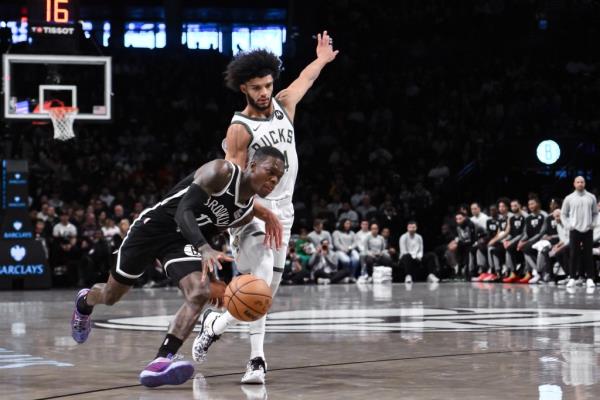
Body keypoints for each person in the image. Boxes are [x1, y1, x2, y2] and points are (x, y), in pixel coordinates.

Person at [70, 147, 285, 388]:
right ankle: (85, 301)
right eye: (270, 171)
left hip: (181, 242)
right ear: (253, 165)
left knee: (201, 292)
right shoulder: (221, 171)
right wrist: (203, 248)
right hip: (154, 228)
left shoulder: (244, 214)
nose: (274, 180)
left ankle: (161, 360)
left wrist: (212, 277)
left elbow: (205, 232)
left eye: (279, 176)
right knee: (110, 296)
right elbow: (184, 211)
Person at [193, 31, 338, 384]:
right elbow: (232, 184)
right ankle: (257, 361)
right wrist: (257, 212)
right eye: (256, 87)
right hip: (252, 212)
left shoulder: (285, 105)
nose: (264, 92)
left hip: (284, 211)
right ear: (244, 88)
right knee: (259, 276)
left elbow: (306, 79)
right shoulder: (239, 129)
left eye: (268, 85)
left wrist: (321, 59)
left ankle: (217, 322)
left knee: (263, 293)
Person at [561, 176, 598, 288]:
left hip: (588, 230)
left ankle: (590, 278)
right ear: (574, 183)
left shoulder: (591, 197)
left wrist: (593, 224)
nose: (580, 184)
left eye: (582, 182)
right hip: (575, 230)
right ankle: (572, 278)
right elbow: (563, 214)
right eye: (578, 182)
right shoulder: (569, 198)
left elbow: (595, 213)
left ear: (585, 183)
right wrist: (568, 225)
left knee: (588, 255)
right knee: (573, 255)